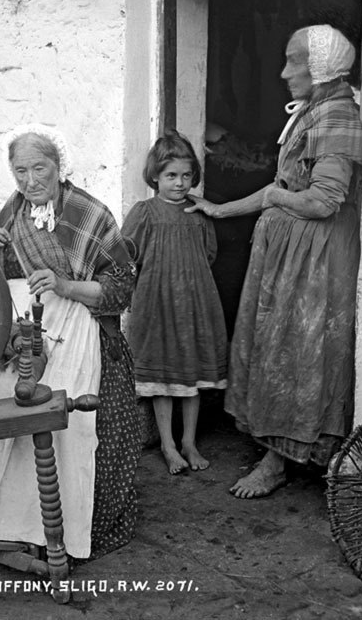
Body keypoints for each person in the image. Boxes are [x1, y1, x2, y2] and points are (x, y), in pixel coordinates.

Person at [0, 124, 140, 560]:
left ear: (59, 168)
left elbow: (121, 290)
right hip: (25, 326)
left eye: (38, 168)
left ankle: (48, 529)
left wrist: (64, 285)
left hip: (80, 325)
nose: (29, 181)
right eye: (19, 171)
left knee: (64, 419)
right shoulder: (11, 213)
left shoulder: (90, 214)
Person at [185, 24, 362, 498]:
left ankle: (282, 460)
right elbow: (280, 190)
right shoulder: (316, 109)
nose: (284, 72)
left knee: (298, 352)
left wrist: (273, 198)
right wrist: (220, 209)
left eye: (293, 62)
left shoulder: (338, 114)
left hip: (315, 257)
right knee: (279, 346)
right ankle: (280, 451)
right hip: (292, 251)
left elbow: (325, 200)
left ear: (321, 67)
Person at [121, 130, 227, 475]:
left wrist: (190, 284)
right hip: (157, 303)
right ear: (155, 176)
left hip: (195, 302)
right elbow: (126, 256)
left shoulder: (199, 211)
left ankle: (189, 442)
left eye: (185, 175)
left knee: (191, 373)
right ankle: (167, 444)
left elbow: (209, 254)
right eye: (171, 176)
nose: (179, 183)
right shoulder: (145, 213)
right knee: (164, 374)